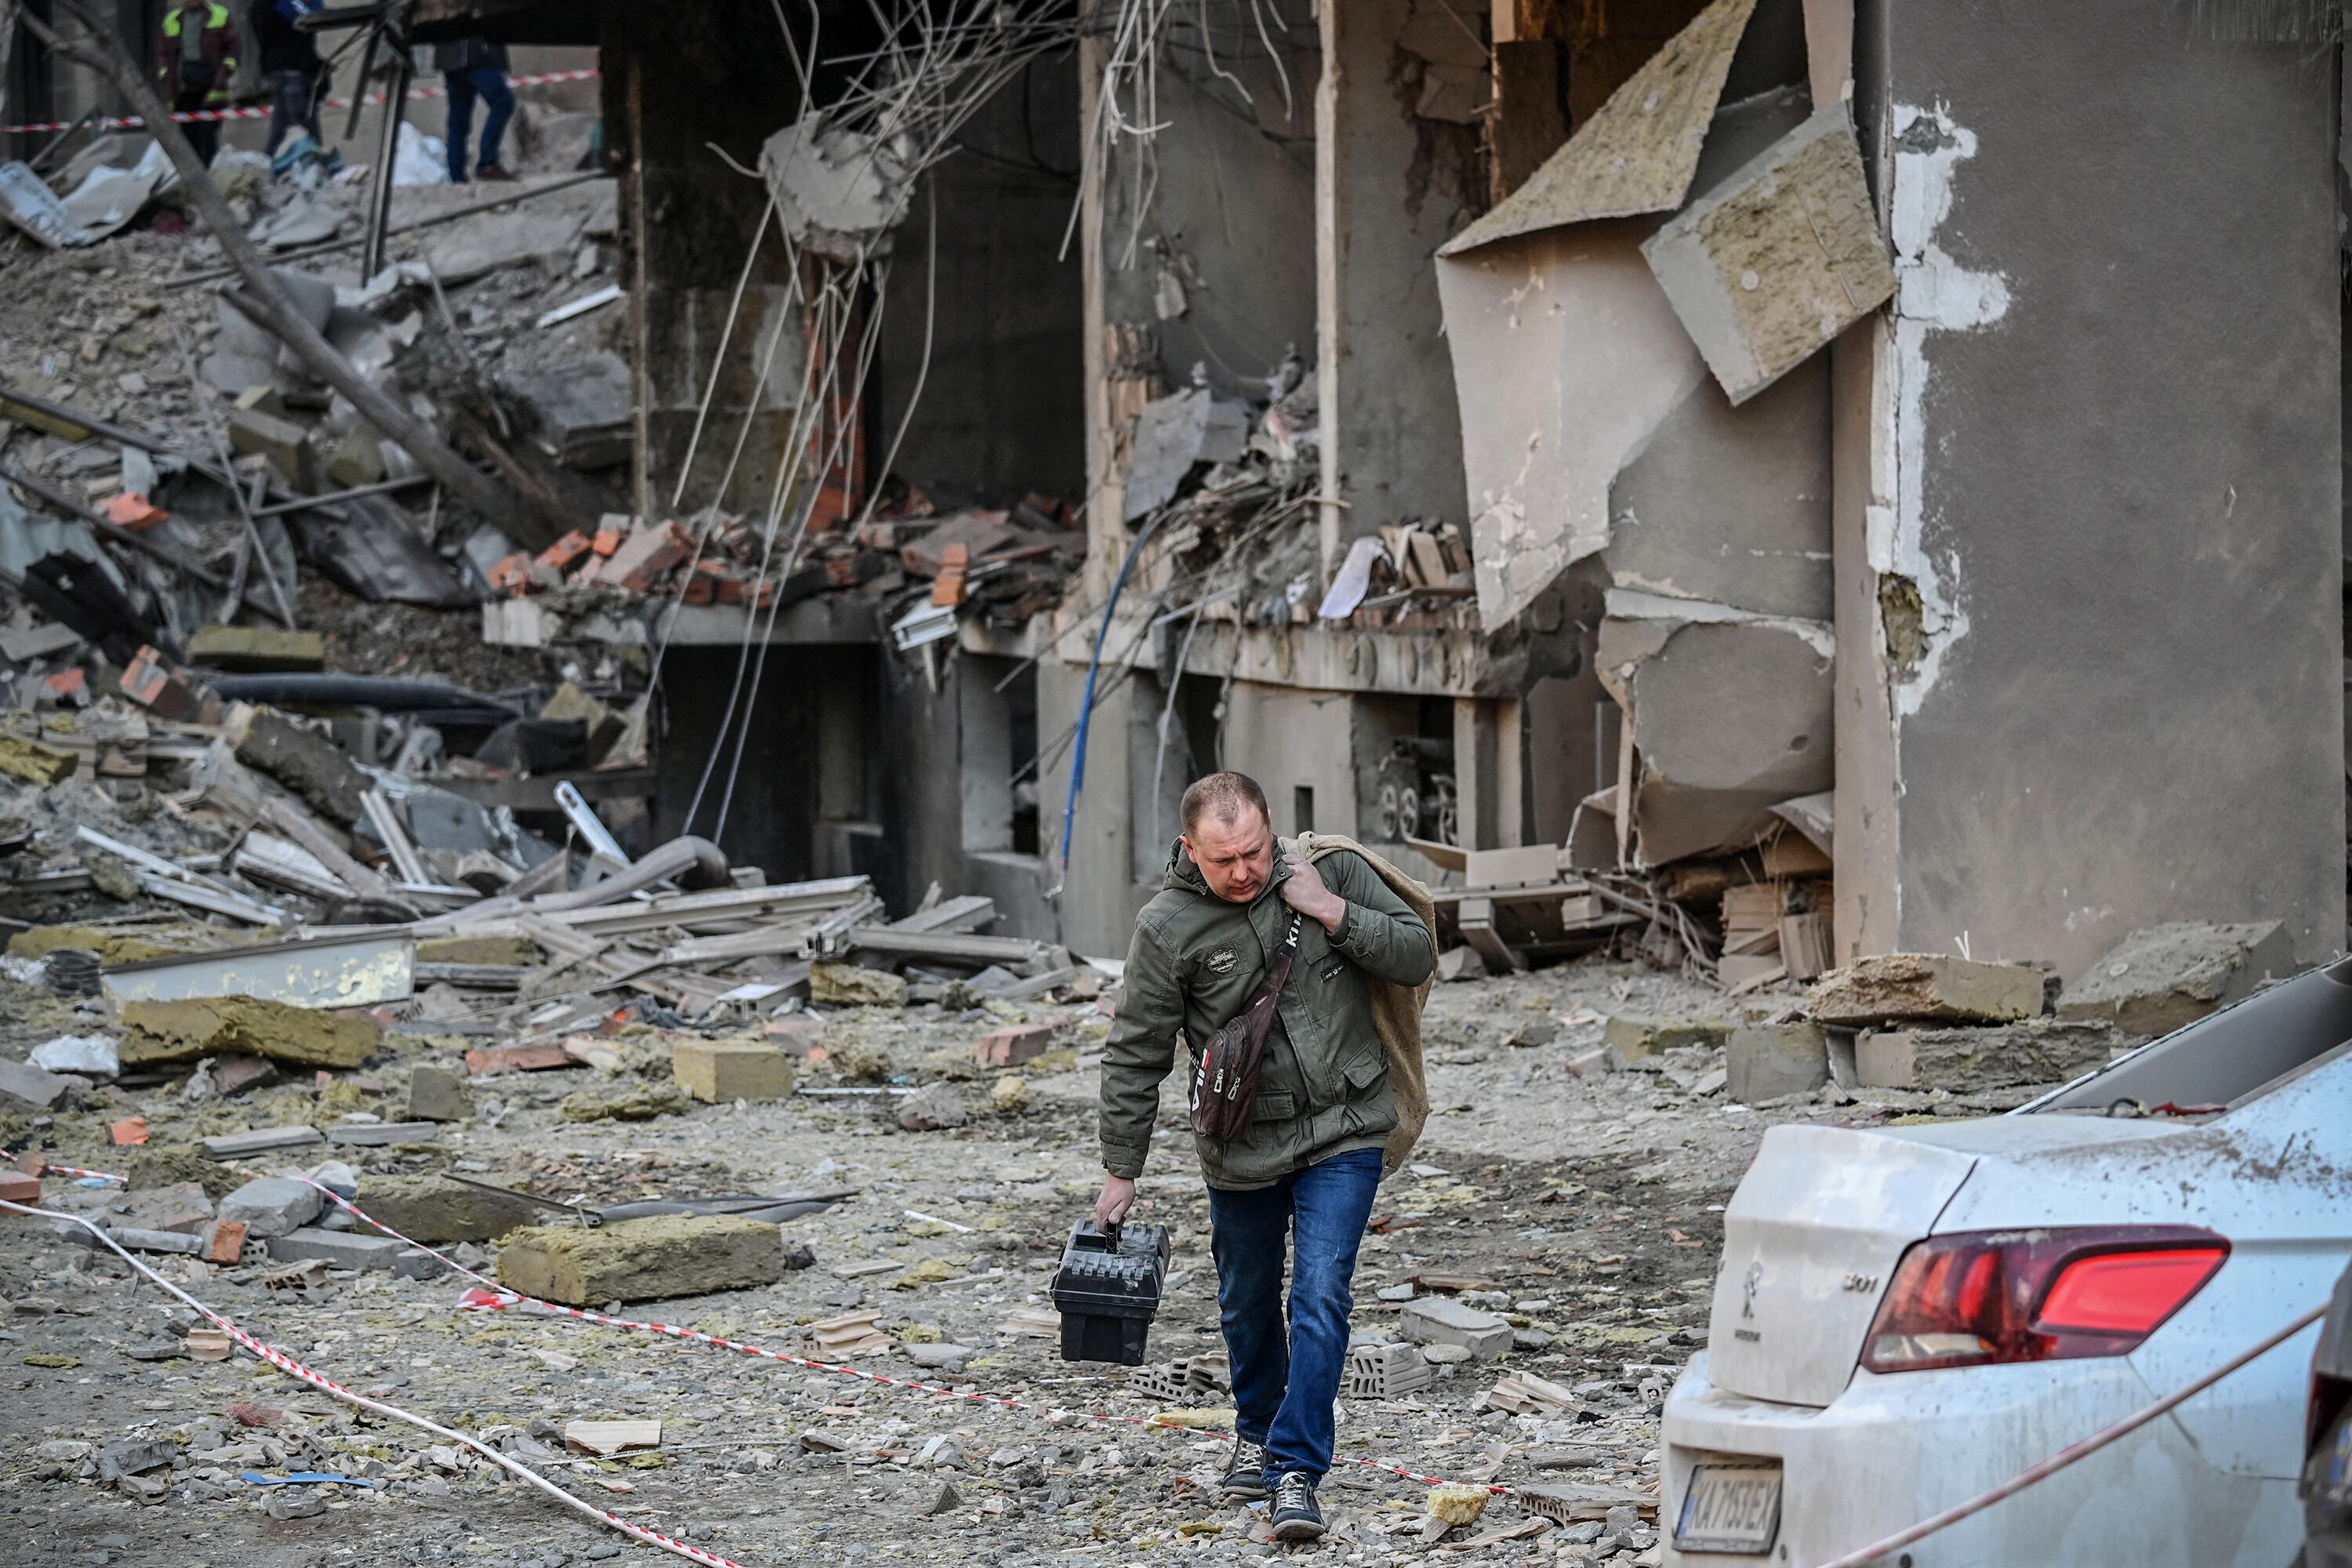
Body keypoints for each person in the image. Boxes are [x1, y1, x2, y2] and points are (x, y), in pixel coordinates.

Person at [1094, 771, 1434, 1543]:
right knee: (1246, 1300)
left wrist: (1332, 910)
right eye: (1224, 860)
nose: (1245, 870)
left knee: (1320, 1293)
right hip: (1240, 1143)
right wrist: (1122, 1169)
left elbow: (1416, 954)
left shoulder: (1331, 870)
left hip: (1345, 1127)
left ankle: (1295, 1469)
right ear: (1190, 850)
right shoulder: (1167, 928)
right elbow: (1135, 1053)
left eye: (1254, 850)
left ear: (1271, 825)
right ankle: (1255, 1426)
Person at [156, 0, 238, 166]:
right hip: (183, 91)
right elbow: (163, 52)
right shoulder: (172, 19)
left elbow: (233, 49)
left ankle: (209, 173)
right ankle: (196, 176)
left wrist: (223, 74)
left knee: (207, 138)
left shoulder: (220, 15)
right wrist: (166, 78)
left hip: (212, 89)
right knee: (189, 141)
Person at [249, 0, 325, 159]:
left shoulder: (260, 5)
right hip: (293, 70)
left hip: (276, 70)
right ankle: (315, 160)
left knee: (280, 127)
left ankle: (269, 161)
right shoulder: (286, 4)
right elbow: (311, 17)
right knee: (304, 128)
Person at [434, 34, 514, 183]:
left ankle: (457, 175)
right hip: (476, 51)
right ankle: (487, 163)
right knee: (503, 102)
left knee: (458, 119)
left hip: (451, 56)